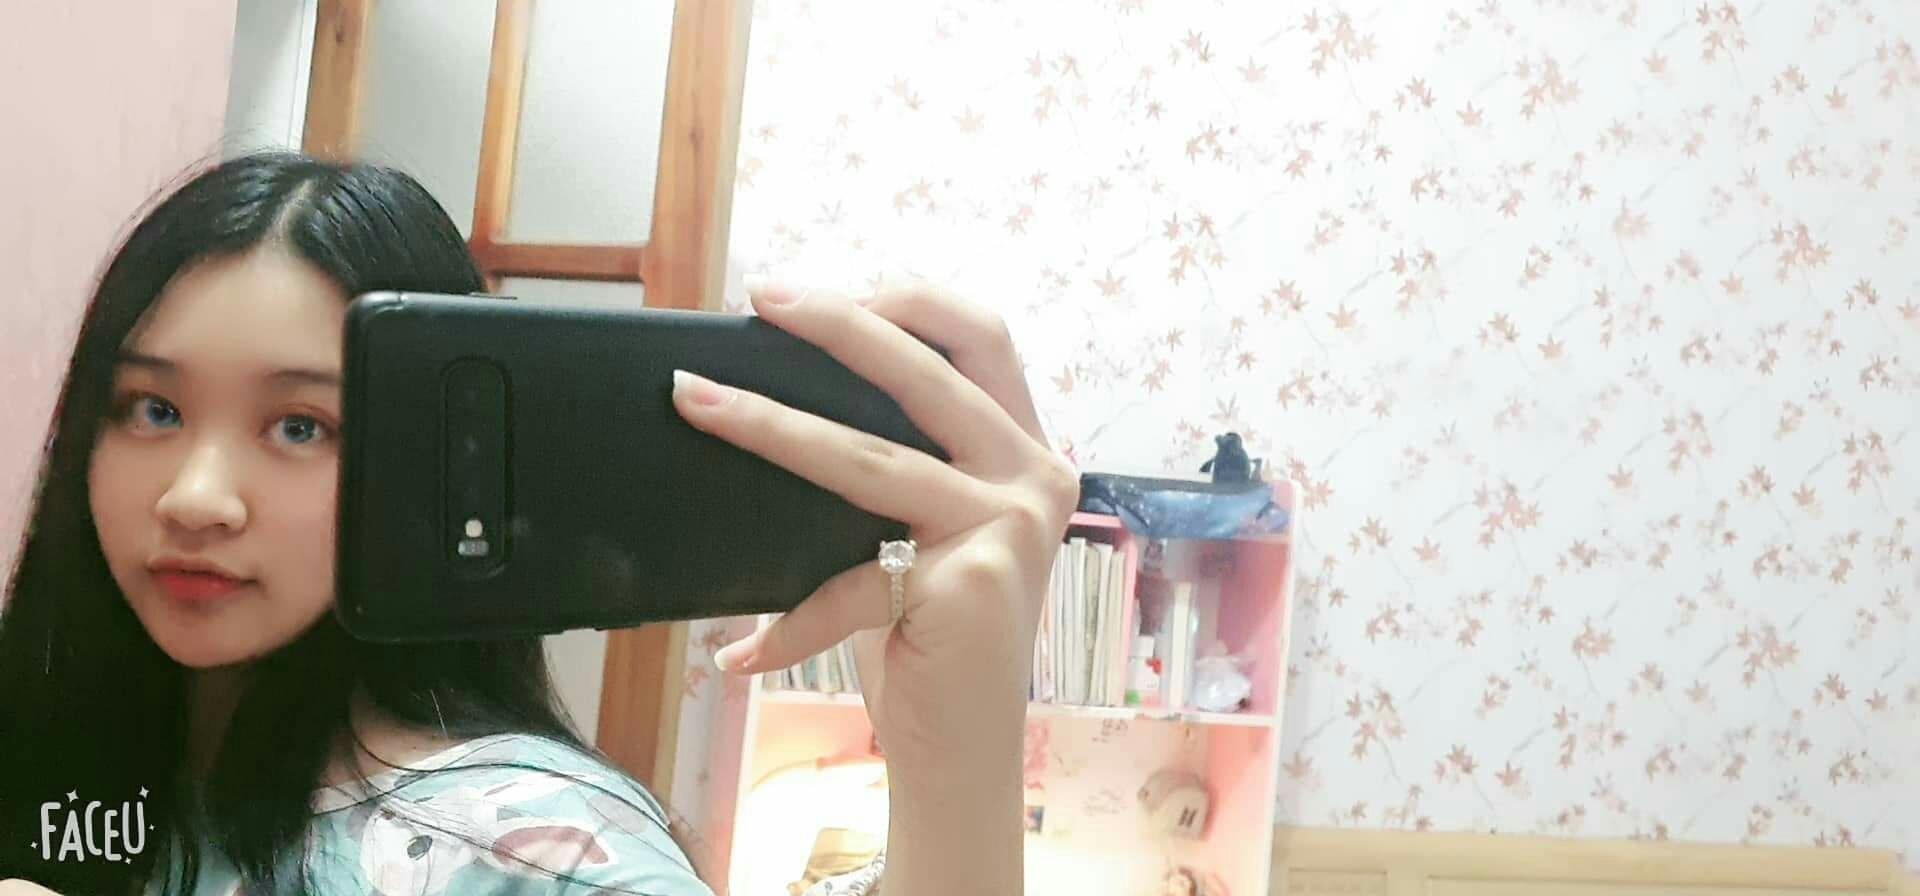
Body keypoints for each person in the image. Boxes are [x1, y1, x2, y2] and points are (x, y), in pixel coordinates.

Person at [0, 152, 1078, 895]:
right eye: (152, 408)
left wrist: (958, 777)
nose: (195, 496)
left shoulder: (523, 848)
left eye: (300, 425)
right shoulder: (65, 758)